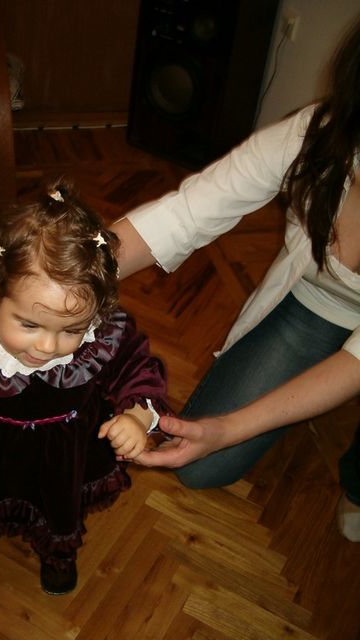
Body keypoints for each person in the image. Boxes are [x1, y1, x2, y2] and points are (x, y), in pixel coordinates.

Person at [111, 15, 360, 543]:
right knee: (202, 465)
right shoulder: (317, 134)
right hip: (319, 305)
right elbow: (188, 212)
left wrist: (230, 428)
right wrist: (58, 274)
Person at [0, 182, 170, 596]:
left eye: (70, 330)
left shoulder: (101, 336)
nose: (46, 346)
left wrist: (137, 414)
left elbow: (139, 368)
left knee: (58, 507)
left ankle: (57, 553)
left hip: (62, 453)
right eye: (29, 324)